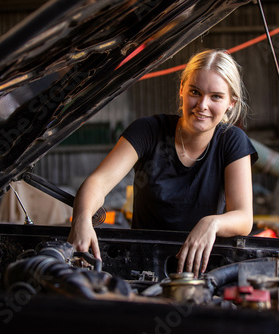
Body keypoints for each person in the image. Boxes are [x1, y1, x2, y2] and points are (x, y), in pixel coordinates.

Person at [68, 49, 258, 276]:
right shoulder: (148, 131)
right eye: (195, 92)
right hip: (141, 267)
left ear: (230, 102)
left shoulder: (232, 141)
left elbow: (244, 217)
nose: (202, 105)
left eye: (216, 96)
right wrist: (82, 218)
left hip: (200, 271)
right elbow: (98, 183)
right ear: (181, 89)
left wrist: (212, 223)